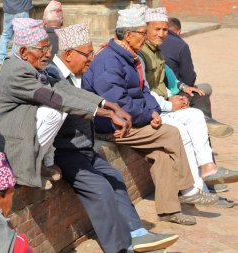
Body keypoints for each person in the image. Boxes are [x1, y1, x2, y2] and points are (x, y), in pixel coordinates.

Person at [46, 22, 179, 253]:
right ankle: (119, 247)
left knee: (115, 178)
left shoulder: (79, 73)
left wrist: (112, 115)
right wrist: (108, 111)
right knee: (100, 188)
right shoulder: (52, 75)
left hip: (84, 146)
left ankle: (137, 233)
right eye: (87, 54)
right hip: (64, 151)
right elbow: (72, 101)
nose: (91, 59)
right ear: (68, 54)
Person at [83, 7, 219, 226]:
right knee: (171, 133)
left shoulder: (130, 57)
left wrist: (153, 111)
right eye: (142, 33)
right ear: (128, 35)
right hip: (111, 124)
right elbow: (118, 104)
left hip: (130, 119)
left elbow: (143, 91)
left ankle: (168, 210)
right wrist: (147, 115)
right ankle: (189, 189)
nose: (145, 37)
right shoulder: (109, 61)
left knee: (161, 154)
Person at [0, 17, 132, 191]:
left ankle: (39, 161)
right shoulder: (17, 72)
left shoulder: (30, 66)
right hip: (2, 146)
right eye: (43, 49)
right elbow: (55, 98)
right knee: (54, 111)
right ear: (23, 52)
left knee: (58, 107)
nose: (48, 54)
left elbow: (63, 88)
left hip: (15, 134)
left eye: (49, 48)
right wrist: (105, 114)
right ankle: (26, 167)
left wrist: (107, 104)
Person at [138, 7, 233, 138]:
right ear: (145, 29)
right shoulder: (140, 52)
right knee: (198, 104)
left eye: (164, 30)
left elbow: (168, 74)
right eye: (157, 29)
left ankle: (204, 124)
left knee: (197, 95)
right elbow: (144, 88)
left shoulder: (157, 50)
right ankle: (204, 120)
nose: (161, 34)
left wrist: (183, 87)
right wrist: (171, 101)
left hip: (168, 94)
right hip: (157, 104)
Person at [0, 0, 33, 66]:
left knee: (5, 35)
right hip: (22, 10)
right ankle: (15, 58)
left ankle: (0, 59)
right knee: (18, 35)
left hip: (9, 10)